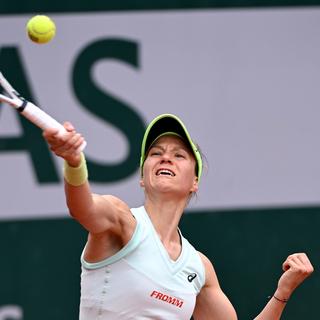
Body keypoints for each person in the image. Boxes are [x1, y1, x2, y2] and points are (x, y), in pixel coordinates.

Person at [43, 113, 313, 319]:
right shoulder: (121, 219)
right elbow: (83, 209)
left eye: (179, 155)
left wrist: (283, 292)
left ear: (194, 182)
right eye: (155, 153)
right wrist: (74, 163)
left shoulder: (198, 268)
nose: (165, 158)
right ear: (142, 177)